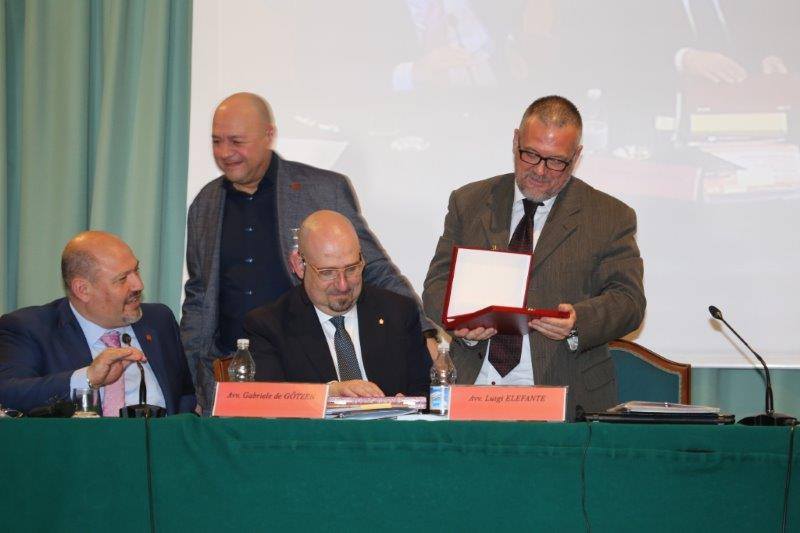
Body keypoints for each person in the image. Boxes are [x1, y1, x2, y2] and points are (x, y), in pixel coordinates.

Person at [182, 93, 433, 412]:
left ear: (268, 135)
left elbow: (374, 267)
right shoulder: (204, 204)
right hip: (230, 371)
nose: (224, 153)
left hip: (303, 367)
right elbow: (199, 295)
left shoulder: (322, 190)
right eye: (217, 141)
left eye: (237, 141)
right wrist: (192, 376)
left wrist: (424, 331)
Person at [422, 95, 645, 417]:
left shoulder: (609, 216)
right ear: (516, 141)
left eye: (556, 162)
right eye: (530, 155)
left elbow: (629, 302)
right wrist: (460, 323)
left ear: (576, 156)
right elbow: (437, 286)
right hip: (474, 385)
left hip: (565, 391)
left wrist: (578, 321)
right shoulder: (469, 202)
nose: (540, 170)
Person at [0, 231, 196, 415]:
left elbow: (185, 395)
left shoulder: (159, 320)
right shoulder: (29, 328)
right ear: (83, 290)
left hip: (162, 439)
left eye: (136, 270)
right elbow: (8, 392)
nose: (138, 284)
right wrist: (88, 378)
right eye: (122, 279)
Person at [243, 210, 430, 397]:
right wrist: (328, 393)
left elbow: (427, 391)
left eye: (351, 269)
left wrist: (411, 404)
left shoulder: (398, 312)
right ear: (300, 265)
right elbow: (270, 399)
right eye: (328, 272)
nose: (343, 285)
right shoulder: (269, 326)